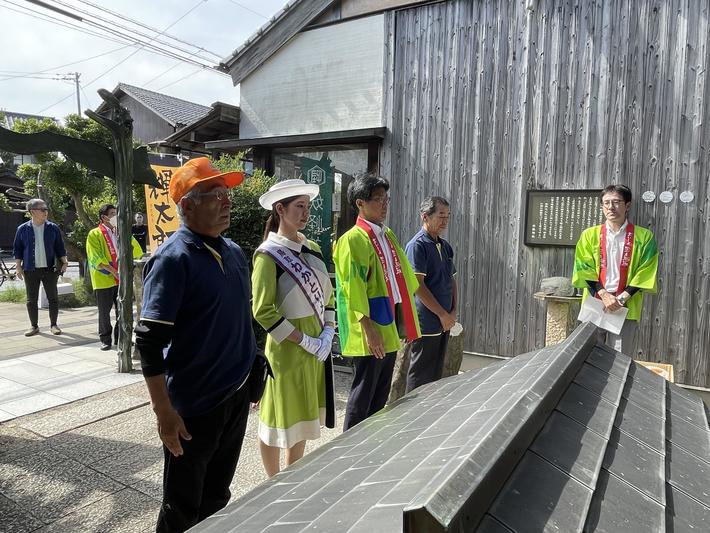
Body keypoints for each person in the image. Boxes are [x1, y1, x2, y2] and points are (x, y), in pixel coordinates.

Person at [134, 157, 256, 533]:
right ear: (186, 205)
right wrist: (163, 411)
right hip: (194, 407)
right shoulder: (172, 259)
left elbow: (241, 317)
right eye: (214, 195)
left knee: (218, 495)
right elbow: (150, 343)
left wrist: (253, 369)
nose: (227, 202)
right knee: (181, 505)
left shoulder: (233, 251)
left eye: (227, 193)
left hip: (234, 397)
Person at [252, 179, 336, 477]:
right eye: (299, 206)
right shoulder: (267, 255)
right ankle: (272, 481)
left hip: (314, 347)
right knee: (276, 419)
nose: (305, 213)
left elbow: (328, 296)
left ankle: (293, 476)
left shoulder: (312, 248)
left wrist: (328, 333)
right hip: (287, 350)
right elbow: (262, 310)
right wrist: (304, 341)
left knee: (302, 415)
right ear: (280, 209)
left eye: (307, 206)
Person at [333, 173, 421, 431]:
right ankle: (347, 451)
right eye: (378, 199)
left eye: (386, 199)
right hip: (369, 326)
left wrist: (406, 320)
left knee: (380, 395)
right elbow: (352, 287)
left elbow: (402, 278)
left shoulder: (386, 234)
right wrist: (369, 329)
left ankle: (369, 446)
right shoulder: (352, 239)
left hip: (389, 320)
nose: (384, 204)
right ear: (360, 203)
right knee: (363, 394)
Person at [572, 184, 659, 353]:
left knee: (620, 359)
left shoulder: (644, 237)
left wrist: (621, 299)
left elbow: (646, 271)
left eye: (617, 202)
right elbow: (584, 267)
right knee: (588, 356)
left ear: (627, 205)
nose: (611, 207)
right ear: (602, 206)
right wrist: (604, 295)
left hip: (625, 306)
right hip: (595, 302)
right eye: (606, 202)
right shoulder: (589, 235)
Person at [404, 196, 457, 392]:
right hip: (426, 321)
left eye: (447, 216)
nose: (445, 221)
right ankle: (411, 417)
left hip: (445, 320)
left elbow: (452, 280)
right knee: (420, 373)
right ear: (425, 216)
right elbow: (417, 286)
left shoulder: (445, 246)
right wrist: (442, 314)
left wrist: (452, 311)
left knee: (436, 375)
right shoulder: (417, 245)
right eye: (441, 216)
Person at [86, 204, 143, 350]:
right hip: (103, 279)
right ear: (103, 217)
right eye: (112, 214)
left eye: (116, 214)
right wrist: (112, 270)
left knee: (122, 310)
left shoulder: (121, 232)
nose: (115, 217)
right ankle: (105, 339)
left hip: (121, 277)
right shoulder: (94, 233)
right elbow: (95, 257)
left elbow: (136, 249)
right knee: (104, 311)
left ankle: (121, 338)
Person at [13, 198, 68, 336]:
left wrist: (65, 262)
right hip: (30, 269)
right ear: (32, 211)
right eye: (42, 209)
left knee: (53, 298)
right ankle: (34, 326)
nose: (46, 212)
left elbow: (60, 247)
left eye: (46, 209)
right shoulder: (22, 229)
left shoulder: (53, 227)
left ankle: (54, 325)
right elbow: (17, 249)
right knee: (31, 299)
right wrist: (18, 267)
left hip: (50, 269)